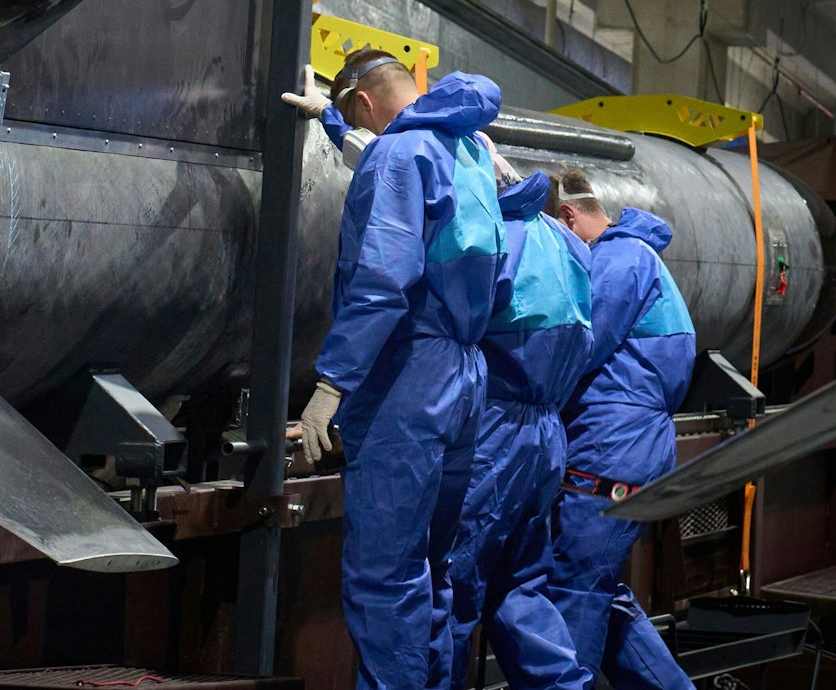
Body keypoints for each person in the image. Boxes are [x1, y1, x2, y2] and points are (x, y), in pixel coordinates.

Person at [280, 49, 506, 690]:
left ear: (363, 103)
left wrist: (331, 385)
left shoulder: (398, 155)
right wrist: (333, 126)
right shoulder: (468, 153)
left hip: (409, 378)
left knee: (386, 579)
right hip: (464, 379)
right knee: (431, 574)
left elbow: (383, 280)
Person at [445, 164, 593, 690]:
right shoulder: (569, 243)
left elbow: (447, 333)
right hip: (547, 436)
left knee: (453, 584)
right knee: (521, 585)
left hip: (494, 435)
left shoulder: (496, 237)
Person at [548, 168, 695, 689]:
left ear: (568, 219)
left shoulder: (617, 260)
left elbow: (575, 347)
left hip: (608, 453)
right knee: (602, 595)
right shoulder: (637, 256)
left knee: (576, 593)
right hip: (627, 450)